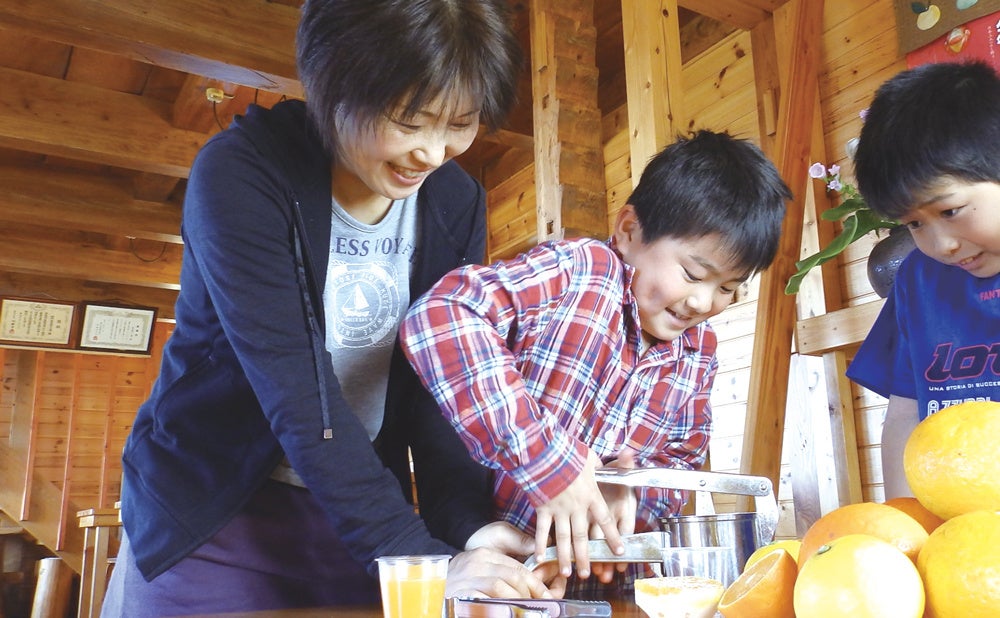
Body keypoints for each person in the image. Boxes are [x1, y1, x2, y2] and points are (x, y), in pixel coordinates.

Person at [100, 1, 555, 615]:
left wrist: (466, 525)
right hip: (216, 505)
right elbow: (296, 389)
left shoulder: (455, 201)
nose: (432, 151)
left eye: (459, 124)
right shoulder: (242, 172)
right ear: (335, 82)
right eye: (409, 119)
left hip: (358, 506)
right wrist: (408, 549)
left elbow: (433, 381)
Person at [400, 130, 791, 596]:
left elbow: (678, 462)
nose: (704, 301)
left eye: (730, 288)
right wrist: (550, 462)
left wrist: (626, 497)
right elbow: (442, 315)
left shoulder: (698, 352)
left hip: (594, 586)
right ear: (629, 231)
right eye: (693, 274)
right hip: (486, 565)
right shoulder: (582, 272)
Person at [845, 60, 1000, 499]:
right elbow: (904, 413)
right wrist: (903, 522)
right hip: (954, 528)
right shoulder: (918, 279)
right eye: (914, 224)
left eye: (950, 211)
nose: (942, 244)